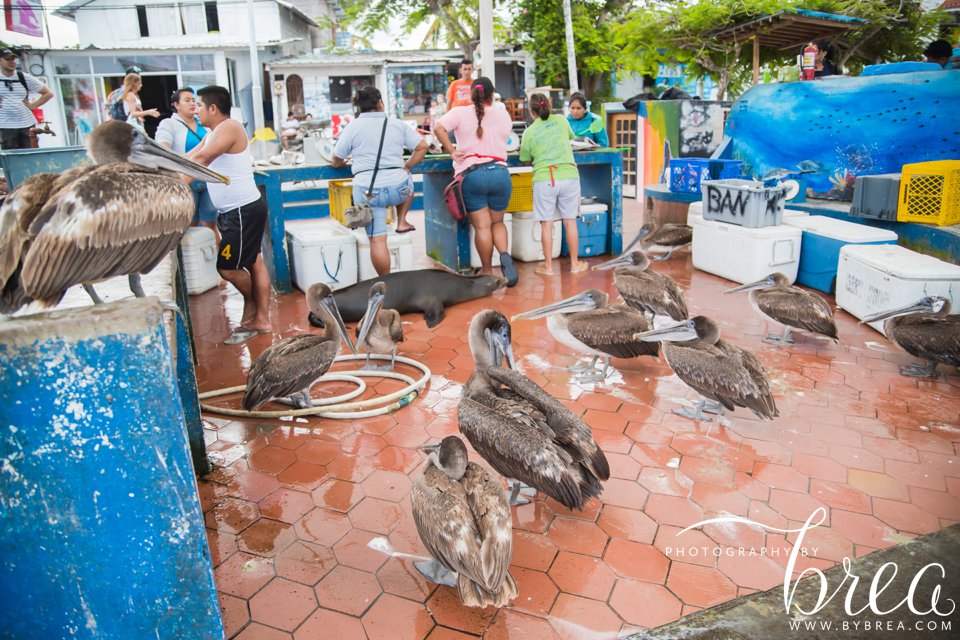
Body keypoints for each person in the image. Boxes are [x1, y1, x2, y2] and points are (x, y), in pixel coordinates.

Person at [187, 85, 272, 344]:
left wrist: (177, 184)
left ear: (213, 108)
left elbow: (202, 159)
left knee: (227, 267)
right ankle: (262, 319)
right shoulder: (211, 133)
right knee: (253, 261)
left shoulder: (230, 127)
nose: (195, 110)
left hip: (242, 211)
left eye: (199, 105)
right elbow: (189, 157)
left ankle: (254, 306)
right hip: (233, 212)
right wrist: (163, 170)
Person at [332, 86, 428, 272]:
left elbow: (337, 159)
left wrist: (341, 163)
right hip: (398, 190)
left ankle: (386, 282)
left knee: (377, 240)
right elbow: (422, 146)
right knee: (407, 180)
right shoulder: (396, 123)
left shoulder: (353, 127)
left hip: (368, 192)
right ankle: (401, 221)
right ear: (380, 102)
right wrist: (406, 167)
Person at [434, 76, 518, 286]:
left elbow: (438, 127)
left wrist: (452, 151)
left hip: (473, 175)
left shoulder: (460, 112)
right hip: (500, 173)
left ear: (471, 94)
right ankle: (505, 256)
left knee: (482, 227)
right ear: (492, 95)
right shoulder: (503, 114)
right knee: (497, 222)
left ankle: (488, 270)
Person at [520, 92, 585, 276]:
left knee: (546, 224)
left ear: (531, 112)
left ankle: (548, 267)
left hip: (544, 179)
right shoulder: (562, 120)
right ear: (548, 105)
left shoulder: (529, 132)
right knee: (570, 222)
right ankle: (575, 264)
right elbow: (571, 136)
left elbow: (525, 158)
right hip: (569, 174)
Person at [156, 88, 218, 240]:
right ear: (176, 105)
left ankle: (214, 259)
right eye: (187, 100)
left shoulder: (203, 123)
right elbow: (163, 149)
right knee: (190, 226)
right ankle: (194, 261)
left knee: (211, 224)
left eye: (194, 101)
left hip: (208, 181)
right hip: (186, 183)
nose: (192, 103)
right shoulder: (169, 124)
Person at [0, 48, 54, 150]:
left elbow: (48, 93)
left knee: (31, 153)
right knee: (11, 157)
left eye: (13, 59)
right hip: (5, 125)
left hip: (26, 123)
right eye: (8, 59)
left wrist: (34, 105)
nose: (11, 62)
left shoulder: (23, 77)